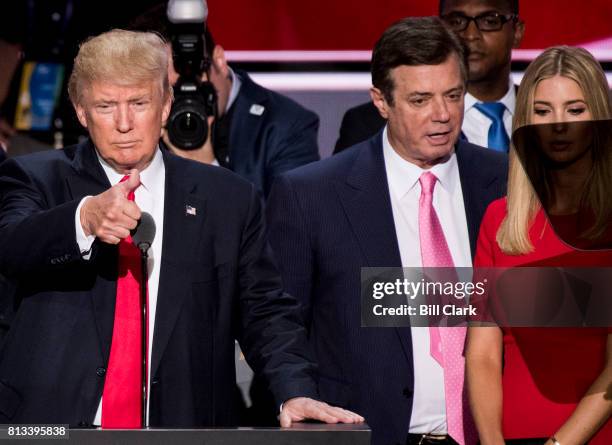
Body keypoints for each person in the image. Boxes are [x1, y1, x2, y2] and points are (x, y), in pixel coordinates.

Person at [0, 29, 364, 429]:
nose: (124, 123)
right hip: (55, 428)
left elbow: (264, 310)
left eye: (139, 103)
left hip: (184, 428)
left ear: (166, 104)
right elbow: (13, 244)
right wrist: (83, 219)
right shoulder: (34, 178)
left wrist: (294, 390)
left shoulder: (227, 197)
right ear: (81, 111)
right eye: (106, 106)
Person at [266, 17, 507, 445]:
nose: (443, 115)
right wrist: (294, 394)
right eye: (420, 100)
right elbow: (281, 321)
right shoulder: (312, 195)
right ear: (381, 101)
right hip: (369, 435)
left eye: (453, 95)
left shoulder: (505, 182)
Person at [466, 46, 612, 445]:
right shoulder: (500, 219)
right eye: (543, 111)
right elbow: (482, 353)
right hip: (512, 434)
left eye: (576, 110)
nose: (558, 125)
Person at [129, 2, 320, 197]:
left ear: (218, 60)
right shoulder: (138, 123)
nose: (182, 96)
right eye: (165, 91)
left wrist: (207, 168)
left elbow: (294, 220)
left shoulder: (286, 125)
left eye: (191, 80)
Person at [334, 0, 524, 153]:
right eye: (456, 21)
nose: (470, 34)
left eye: (489, 21)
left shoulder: (549, 114)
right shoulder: (368, 122)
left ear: (517, 31)